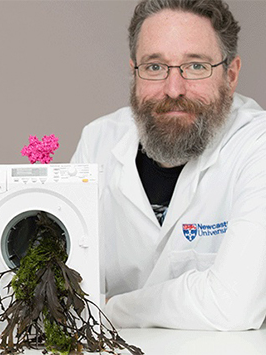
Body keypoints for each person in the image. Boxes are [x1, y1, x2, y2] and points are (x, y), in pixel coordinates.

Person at [72, 0, 266, 331]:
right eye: (155, 67)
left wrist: (112, 308)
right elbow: (67, 283)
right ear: (134, 71)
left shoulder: (256, 144)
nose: (173, 89)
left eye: (196, 66)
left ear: (230, 75)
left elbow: (232, 306)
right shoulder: (99, 141)